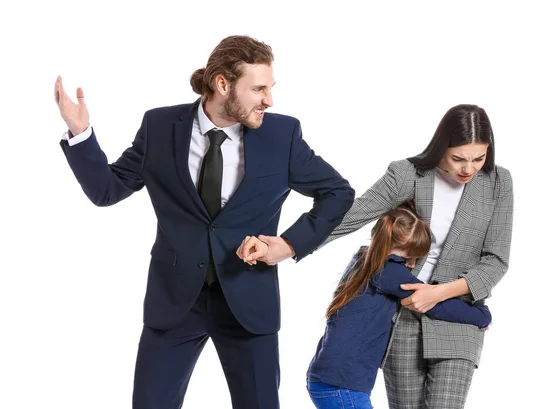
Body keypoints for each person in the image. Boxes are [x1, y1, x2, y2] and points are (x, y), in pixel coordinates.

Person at [54, 35, 355, 409]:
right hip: (175, 304)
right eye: (258, 89)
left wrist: (288, 245)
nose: (269, 100)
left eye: (270, 88)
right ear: (222, 84)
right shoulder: (160, 126)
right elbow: (107, 190)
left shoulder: (282, 135)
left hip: (248, 304)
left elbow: (338, 193)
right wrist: (81, 133)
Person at [321, 104, 514, 409]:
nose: (469, 169)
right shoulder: (408, 173)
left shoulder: (499, 183)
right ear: (441, 148)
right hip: (403, 317)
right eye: (458, 159)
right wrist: (285, 245)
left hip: (457, 313)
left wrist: (439, 293)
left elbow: (496, 259)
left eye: (479, 158)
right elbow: (352, 216)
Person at [306, 205, 491, 409]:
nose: (411, 265)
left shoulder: (363, 260)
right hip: (342, 384)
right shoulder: (388, 270)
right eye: (408, 258)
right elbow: (432, 304)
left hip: (326, 377)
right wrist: (480, 315)